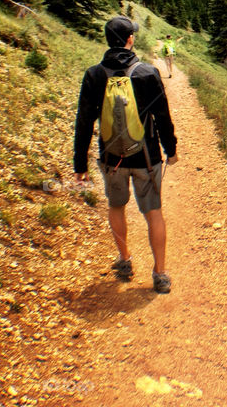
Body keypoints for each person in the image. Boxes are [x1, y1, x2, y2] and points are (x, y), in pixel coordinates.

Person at [73, 16, 179, 293]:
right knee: (153, 212)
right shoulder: (147, 72)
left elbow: (84, 121)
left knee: (116, 206)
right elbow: (163, 116)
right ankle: (160, 273)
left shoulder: (94, 75)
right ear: (130, 40)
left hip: (112, 160)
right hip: (146, 158)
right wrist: (172, 149)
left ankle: (124, 260)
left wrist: (80, 163)